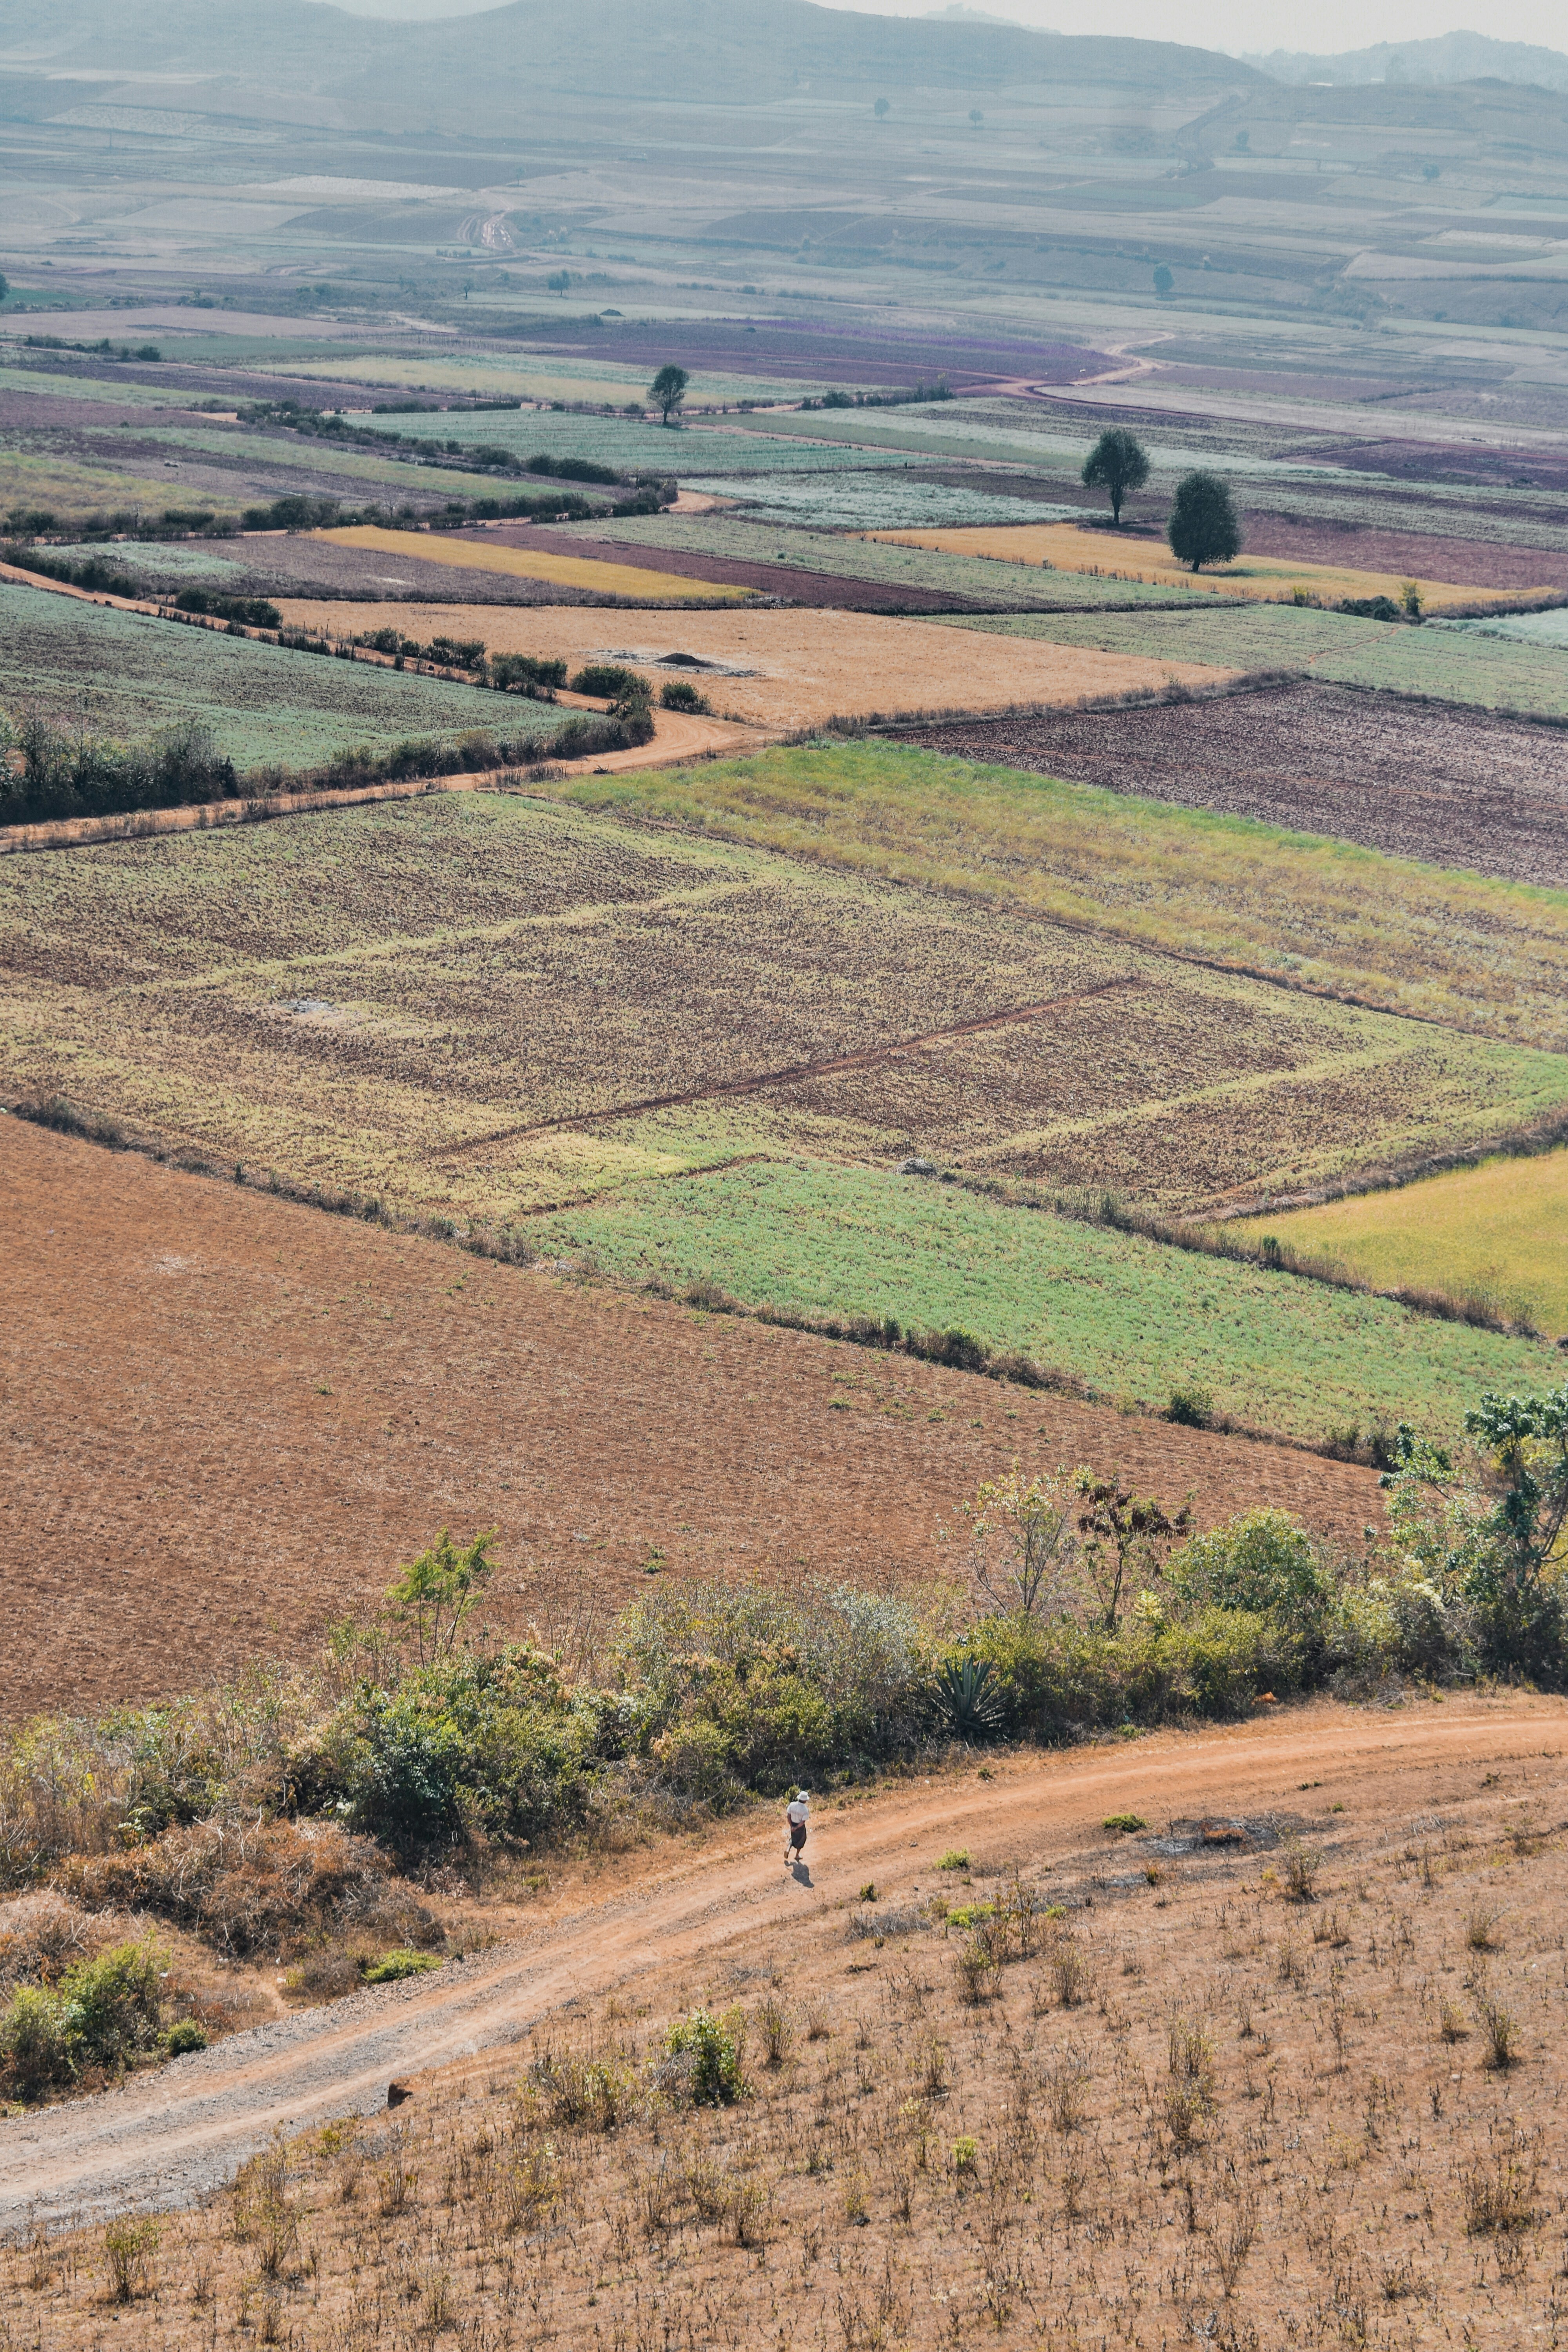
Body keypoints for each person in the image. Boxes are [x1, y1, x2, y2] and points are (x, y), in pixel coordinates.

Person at [784, 1787, 809, 1866]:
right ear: (805, 1800)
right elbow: (802, 1822)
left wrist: (792, 1826)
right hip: (799, 1827)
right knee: (801, 1840)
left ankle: (788, 1848)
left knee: (793, 1838)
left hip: (793, 1824)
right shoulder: (805, 1810)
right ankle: (797, 1855)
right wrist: (797, 1828)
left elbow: (788, 1816)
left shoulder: (792, 1804)